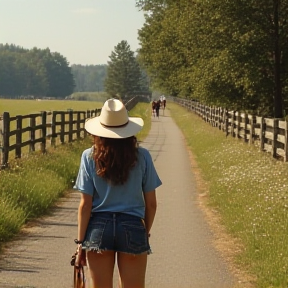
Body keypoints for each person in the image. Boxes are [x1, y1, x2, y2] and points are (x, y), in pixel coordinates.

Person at [73, 98, 162, 288]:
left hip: (98, 229)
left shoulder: (89, 156)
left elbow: (85, 205)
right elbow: (152, 204)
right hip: (132, 226)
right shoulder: (143, 156)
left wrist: (80, 243)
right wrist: (144, 232)